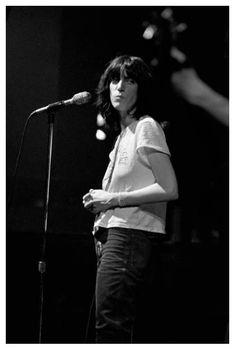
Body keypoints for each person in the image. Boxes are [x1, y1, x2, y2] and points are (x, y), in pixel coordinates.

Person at [82, 55, 178, 343]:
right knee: (110, 325)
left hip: (129, 237)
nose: (120, 86)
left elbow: (170, 187)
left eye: (130, 80)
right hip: (116, 237)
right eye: (114, 79)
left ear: (142, 89)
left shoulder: (146, 126)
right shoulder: (125, 133)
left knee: (110, 328)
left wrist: (111, 199)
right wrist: (102, 202)